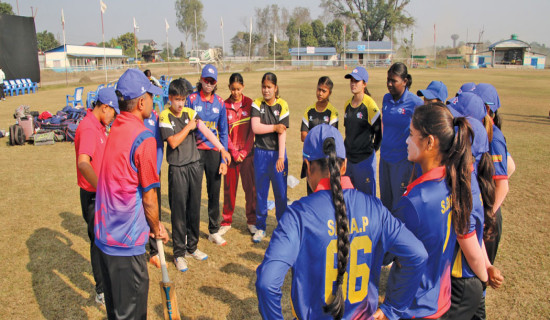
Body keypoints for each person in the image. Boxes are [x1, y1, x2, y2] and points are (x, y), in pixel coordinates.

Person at [256, 124, 428, 320]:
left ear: (307, 165)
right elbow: (417, 254)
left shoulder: (298, 215)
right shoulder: (374, 208)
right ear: (344, 165)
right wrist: (392, 309)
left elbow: (267, 283)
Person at [390, 102, 478, 319]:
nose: (407, 140)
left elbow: (386, 251)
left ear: (429, 142)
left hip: (414, 306)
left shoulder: (415, 201)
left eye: (411, 134)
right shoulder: (454, 180)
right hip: (440, 297)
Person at [94, 68, 169, 319]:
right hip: (125, 245)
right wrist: (157, 226)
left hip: (105, 240)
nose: (153, 100)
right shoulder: (143, 138)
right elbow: (149, 198)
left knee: (117, 313)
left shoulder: (114, 128)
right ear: (140, 102)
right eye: (150, 95)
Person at [160, 78, 231, 272]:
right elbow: (173, 142)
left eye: (182, 99)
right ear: (170, 99)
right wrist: (188, 127)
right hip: (178, 168)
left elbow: (206, 131)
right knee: (179, 212)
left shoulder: (190, 113)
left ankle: (192, 247)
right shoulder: (164, 116)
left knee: (194, 209)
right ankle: (179, 253)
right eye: (176, 99)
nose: (180, 103)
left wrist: (222, 149)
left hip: (193, 166)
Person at [445, 92, 504, 320]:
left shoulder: (464, 185)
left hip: (461, 277)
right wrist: (488, 267)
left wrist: (483, 274)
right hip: (471, 276)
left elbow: (468, 236)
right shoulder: (474, 178)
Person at [74, 87, 119, 305]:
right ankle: (101, 289)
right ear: (105, 107)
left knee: (105, 241)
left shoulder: (99, 125)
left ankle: (108, 283)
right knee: (98, 243)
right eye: (113, 112)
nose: (113, 117)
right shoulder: (90, 128)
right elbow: (83, 162)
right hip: (94, 196)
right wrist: (101, 188)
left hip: (100, 194)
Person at [186, 64, 231, 246]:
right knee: (194, 194)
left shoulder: (220, 103)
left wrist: (223, 159)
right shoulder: (191, 99)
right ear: (201, 79)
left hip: (213, 153)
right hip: (196, 152)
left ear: (216, 82)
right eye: (206, 80)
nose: (208, 84)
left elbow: (224, 132)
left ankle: (213, 230)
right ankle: (192, 232)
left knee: (214, 192)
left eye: (212, 81)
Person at [474, 83, 515, 265]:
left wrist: (488, 214)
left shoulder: (495, 137)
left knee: (482, 270)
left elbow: (503, 184)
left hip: (489, 213)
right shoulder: (481, 131)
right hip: (482, 209)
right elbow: (511, 165)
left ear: (487, 108)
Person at [251, 72, 289, 243]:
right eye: (264, 87)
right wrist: (274, 127)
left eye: (269, 87)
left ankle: (282, 226)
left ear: (275, 88)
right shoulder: (257, 103)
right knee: (261, 192)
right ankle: (260, 227)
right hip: (260, 153)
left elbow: (283, 132)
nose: (266, 90)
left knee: (280, 193)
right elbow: (256, 128)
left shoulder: (282, 105)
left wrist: (281, 157)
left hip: (277, 155)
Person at [380, 62, 423, 211]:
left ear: (405, 81)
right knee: (385, 201)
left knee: (399, 204)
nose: (389, 84)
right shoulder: (386, 99)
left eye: (394, 81)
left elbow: (422, 132)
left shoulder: (415, 103)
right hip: (385, 159)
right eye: (388, 80)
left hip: (402, 161)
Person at [219, 73, 257, 236]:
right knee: (229, 189)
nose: (235, 92)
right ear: (229, 88)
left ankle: (251, 221)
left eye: (238, 89)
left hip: (247, 155)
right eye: (233, 89)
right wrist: (234, 152)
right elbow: (223, 132)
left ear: (243, 87)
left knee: (250, 189)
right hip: (231, 156)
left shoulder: (250, 104)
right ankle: (226, 221)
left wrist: (244, 151)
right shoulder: (224, 105)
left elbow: (252, 131)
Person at [343, 66, 381, 196]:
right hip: (349, 161)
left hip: (364, 161)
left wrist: (372, 150)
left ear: (364, 84)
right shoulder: (347, 105)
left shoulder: (370, 105)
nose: (353, 84)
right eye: (351, 80)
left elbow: (379, 133)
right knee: (348, 197)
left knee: (368, 199)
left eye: (356, 81)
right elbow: (348, 132)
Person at [300, 76, 338, 195]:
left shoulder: (332, 112)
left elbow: (331, 138)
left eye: (324, 91)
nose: (320, 93)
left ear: (329, 93)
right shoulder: (309, 110)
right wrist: (319, 140)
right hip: (311, 160)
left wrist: (312, 138)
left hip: (325, 161)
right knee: (311, 193)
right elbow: (303, 136)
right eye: (319, 89)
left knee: (325, 194)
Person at [143, 105, 164, 269]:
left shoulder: (154, 116)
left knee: (154, 209)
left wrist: (155, 170)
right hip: (135, 172)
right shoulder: (127, 117)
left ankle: (155, 251)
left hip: (153, 173)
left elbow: (159, 145)